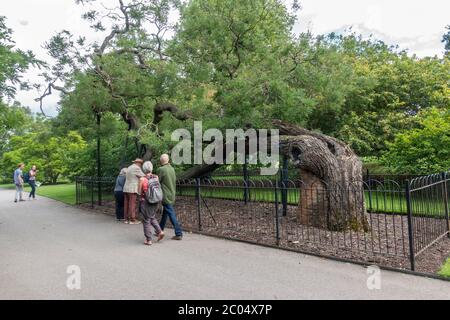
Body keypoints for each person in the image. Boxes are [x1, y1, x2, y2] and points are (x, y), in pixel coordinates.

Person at [138, 161, 165, 246]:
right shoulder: (156, 177)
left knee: (146, 220)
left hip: (146, 202)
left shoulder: (142, 179)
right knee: (152, 217)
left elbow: (139, 192)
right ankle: (160, 231)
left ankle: (148, 239)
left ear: (144, 169)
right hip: (156, 201)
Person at [158, 154, 183, 240]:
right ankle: (159, 230)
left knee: (171, 213)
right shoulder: (172, 169)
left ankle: (178, 233)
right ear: (168, 160)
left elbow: (158, 182)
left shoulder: (161, 169)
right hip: (172, 194)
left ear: (161, 161)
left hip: (165, 195)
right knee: (166, 213)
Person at [123, 159, 145, 225]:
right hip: (132, 189)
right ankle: (132, 219)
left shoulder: (129, 167)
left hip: (126, 188)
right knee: (132, 204)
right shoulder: (136, 168)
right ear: (138, 163)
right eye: (140, 164)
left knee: (126, 204)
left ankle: (126, 219)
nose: (141, 165)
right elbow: (143, 176)